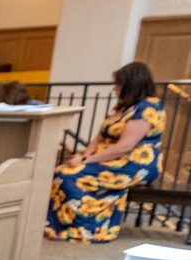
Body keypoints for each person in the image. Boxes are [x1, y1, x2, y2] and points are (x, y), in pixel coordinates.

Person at [46, 61, 165, 243]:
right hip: (107, 158)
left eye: (118, 84)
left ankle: (86, 229)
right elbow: (98, 138)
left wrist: (86, 162)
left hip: (134, 163)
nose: (114, 88)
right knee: (61, 171)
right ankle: (63, 226)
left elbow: (124, 147)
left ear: (131, 84)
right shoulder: (123, 108)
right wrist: (83, 156)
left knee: (70, 176)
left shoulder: (149, 108)